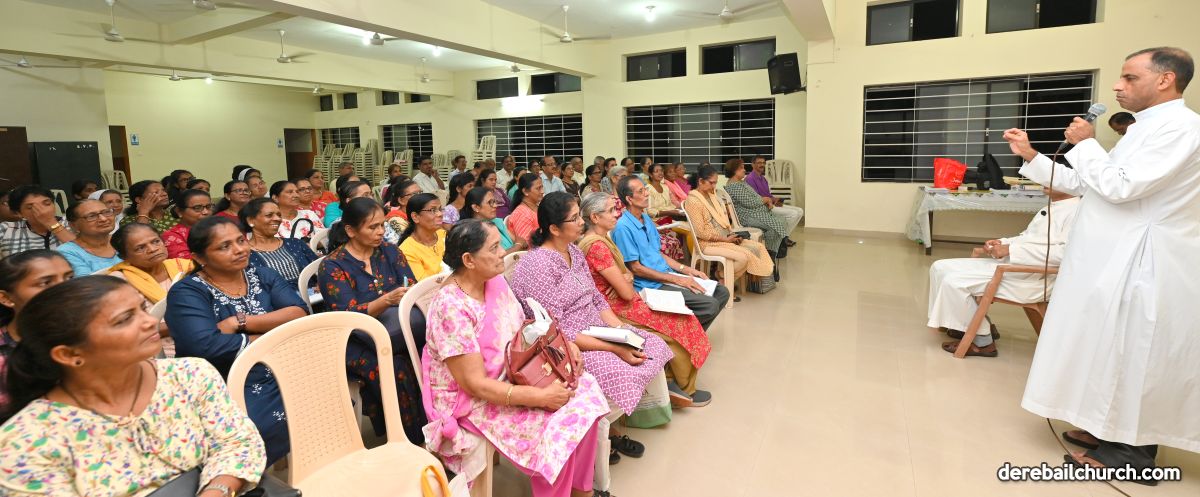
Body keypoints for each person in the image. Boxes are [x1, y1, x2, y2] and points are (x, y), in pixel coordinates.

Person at [1002, 47, 1200, 471]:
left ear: (1165, 79)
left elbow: (1121, 187)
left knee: (1135, 353)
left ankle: (1131, 453)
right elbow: (1089, 183)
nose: (1117, 86)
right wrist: (1031, 156)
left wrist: (1088, 144)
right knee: (1109, 348)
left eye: (1129, 77)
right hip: (1112, 258)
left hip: (1144, 262)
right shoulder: (1145, 128)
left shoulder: (1181, 128)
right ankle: (1107, 427)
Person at [0, 277, 267, 497]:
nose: (150, 321)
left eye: (142, 308)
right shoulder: (27, 441)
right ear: (69, 354)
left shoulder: (189, 375)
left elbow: (237, 442)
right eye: (124, 319)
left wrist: (218, 490)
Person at [422, 219, 606, 497]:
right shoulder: (451, 306)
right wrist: (539, 397)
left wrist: (564, 347)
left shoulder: (492, 280)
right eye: (494, 248)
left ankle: (581, 490)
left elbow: (522, 330)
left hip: (513, 372)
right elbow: (475, 385)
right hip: (472, 400)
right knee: (557, 426)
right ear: (469, 260)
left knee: (583, 391)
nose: (503, 253)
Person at [511, 192, 672, 432]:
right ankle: (601, 429)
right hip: (568, 344)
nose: (581, 222)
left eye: (580, 216)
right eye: (575, 218)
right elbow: (554, 330)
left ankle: (629, 416)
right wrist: (615, 348)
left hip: (596, 327)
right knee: (622, 370)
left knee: (652, 344)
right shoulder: (538, 265)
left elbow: (596, 297)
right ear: (554, 229)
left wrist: (621, 330)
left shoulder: (574, 251)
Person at [164, 216, 308, 464]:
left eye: (241, 240)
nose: (239, 249)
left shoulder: (261, 274)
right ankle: (252, 473)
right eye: (224, 246)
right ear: (199, 257)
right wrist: (267, 336)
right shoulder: (188, 292)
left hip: (279, 365)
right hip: (224, 378)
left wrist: (238, 322)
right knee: (261, 426)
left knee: (328, 398)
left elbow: (298, 312)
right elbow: (204, 346)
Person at [578, 193, 712, 407]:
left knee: (683, 316)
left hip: (622, 299)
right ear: (595, 217)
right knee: (678, 323)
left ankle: (672, 380)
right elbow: (626, 292)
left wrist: (627, 277)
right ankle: (683, 387)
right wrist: (626, 279)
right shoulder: (597, 246)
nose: (617, 214)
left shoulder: (602, 238)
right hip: (613, 308)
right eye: (611, 210)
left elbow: (627, 276)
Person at [316, 197, 430, 444]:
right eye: (372, 227)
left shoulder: (389, 251)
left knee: (432, 351)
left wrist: (406, 294)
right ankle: (411, 438)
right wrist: (386, 300)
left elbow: (411, 285)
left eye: (382, 225)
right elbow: (346, 315)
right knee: (396, 365)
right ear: (350, 230)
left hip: (397, 329)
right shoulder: (332, 266)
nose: (380, 232)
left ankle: (439, 425)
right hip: (353, 338)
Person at [927, 188, 1080, 357]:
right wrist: (1002, 243)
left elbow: (1065, 254)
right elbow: (1027, 238)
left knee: (954, 282)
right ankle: (962, 324)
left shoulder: (1076, 211)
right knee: (939, 267)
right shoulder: (1055, 206)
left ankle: (983, 339)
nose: (1044, 181)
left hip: (1032, 278)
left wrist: (1011, 250)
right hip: (1016, 266)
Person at [611, 176, 729, 329]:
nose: (647, 193)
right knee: (709, 305)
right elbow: (636, 268)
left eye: (645, 189)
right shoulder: (623, 228)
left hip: (665, 275)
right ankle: (686, 335)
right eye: (641, 191)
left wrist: (686, 270)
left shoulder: (645, 218)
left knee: (721, 292)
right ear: (629, 199)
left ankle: (692, 335)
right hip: (650, 285)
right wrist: (676, 279)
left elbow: (658, 253)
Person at [0, 250, 73, 413]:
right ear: (6, 298)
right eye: (45, 283)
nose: (65, 288)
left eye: (69, 278)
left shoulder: (93, 332)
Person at [108, 223, 193, 357]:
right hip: (158, 350)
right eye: (140, 248)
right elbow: (130, 329)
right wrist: (191, 323)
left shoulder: (184, 267)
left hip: (200, 335)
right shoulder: (119, 282)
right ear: (124, 256)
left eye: (155, 241)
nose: (153, 249)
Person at [685, 166, 775, 290]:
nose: (714, 186)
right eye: (711, 183)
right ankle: (723, 281)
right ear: (701, 181)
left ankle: (721, 278)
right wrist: (725, 239)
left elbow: (721, 221)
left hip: (724, 238)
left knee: (758, 247)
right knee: (743, 258)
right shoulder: (693, 201)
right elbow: (701, 232)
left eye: (715, 183)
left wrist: (731, 236)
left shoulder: (711, 196)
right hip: (706, 243)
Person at [241, 198, 319, 289]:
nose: (278, 219)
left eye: (279, 215)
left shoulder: (295, 243)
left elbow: (320, 269)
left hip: (314, 295)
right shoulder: (244, 254)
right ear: (251, 221)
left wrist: (321, 284)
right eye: (269, 215)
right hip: (274, 298)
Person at [723, 158, 790, 255]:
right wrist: (766, 200)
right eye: (741, 168)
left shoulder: (740, 183)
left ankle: (774, 250)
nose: (744, 170)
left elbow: (755, 197)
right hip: (748, 217)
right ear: (734, 170)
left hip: (756, 213)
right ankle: (771, 253)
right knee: (776, 225)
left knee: (782, 220)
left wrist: (766, 200)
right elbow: (750, 202)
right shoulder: (733, 186)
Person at [0, 185, 76, 257]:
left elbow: (81, 253)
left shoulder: (71, 222)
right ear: (19, 213)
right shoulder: (6, 229)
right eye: (30, 207)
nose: (42, 211)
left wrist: (51, 223)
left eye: (47, 203)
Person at [744, 156, 802, 247]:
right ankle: (783, 238)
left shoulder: (763, 178)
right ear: (753, 165)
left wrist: (776, 199)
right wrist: (770, 201)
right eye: (759, 163)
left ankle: (783, 237)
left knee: (799, 211)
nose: (762, 165)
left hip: (771, 203)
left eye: (763, 163)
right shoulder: (750, 179)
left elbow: (768, 195)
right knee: (793, 214)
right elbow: (756, 198)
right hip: (765, 207)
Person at [57, 200, 121, 274]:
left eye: (106, 212)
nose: (103, 219)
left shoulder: (122, 239)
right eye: (92, 216)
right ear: (73, 225)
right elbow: (86, 280)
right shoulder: (67, 252)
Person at [400, 193, 447, 281]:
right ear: (415, 217)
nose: (440, 214)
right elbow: (425, 284)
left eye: (440, 209)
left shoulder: (443, 234)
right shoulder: (407, 250)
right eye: (433, 210)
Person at [465, 186, 526, 254]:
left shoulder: (496, 221)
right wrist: (518, 246)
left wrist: (518, 245)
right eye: (490, 202)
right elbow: (496, 257)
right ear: (476, 207)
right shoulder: (474, 232)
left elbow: (519, 241)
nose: (495, 205)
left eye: (495, 201)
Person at [161, 189, 213, 259]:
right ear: (179, 211)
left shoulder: (217, 228)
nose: (206, 212)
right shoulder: (171, 236)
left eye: (208, 207)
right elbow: (187, 263)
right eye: (197, 208)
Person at [506, 172, 544, 246]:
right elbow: (526, 245)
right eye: (538, 188)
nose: (542, 191)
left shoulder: (537, 206)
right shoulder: (521, 214)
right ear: (525, 191)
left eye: (542, 187)